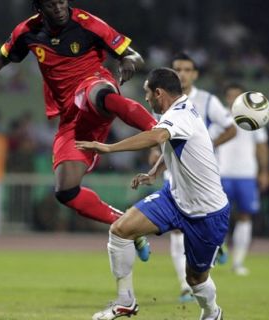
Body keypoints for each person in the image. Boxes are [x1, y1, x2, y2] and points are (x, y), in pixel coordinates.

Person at [0, 0, 156, 259]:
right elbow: (1, 58)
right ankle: (130, 225)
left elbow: (133, 54)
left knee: (96, 94)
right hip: (71, 119)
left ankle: (159, 131)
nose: (58, 8)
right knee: (66, 190)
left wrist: (128, 61)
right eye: (51, 4)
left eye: (62, 2)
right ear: (38, 8)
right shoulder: (27, 32)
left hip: (95, 84)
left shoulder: (88, 23)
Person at [76, 67, 229, 320]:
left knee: (196, 279)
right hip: (174, 198)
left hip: (207, 212)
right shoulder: (179, 111)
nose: (146, 100)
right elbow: (174, 145)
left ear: (159, 92)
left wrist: (109, 148)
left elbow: (157, 136)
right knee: (120, 230)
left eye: (147, 94)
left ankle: (212, 313)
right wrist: (156, 171)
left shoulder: (180, 116)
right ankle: (125, 302)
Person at [167, 52, 236, 302]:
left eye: (187, 69)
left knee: (200, 227)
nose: (182, 74)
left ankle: (214, 244)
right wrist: (155, 155)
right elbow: (157, 134)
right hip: (173, 174)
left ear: (195, 74)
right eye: (177, 69)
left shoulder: (207, 101)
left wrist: (209, 144)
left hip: (202, 178)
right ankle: (185, 287)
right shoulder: (162, 98)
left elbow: (231, 128)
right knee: (176, 229)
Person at [217, 83, 269, 275]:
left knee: (245, 216)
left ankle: (238, 262)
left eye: (237, 96)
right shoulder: (219, 117)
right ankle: (216, 256)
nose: (234, 100)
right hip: (221, 173)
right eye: (231, 96)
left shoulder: (255, 117)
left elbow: (262, 146)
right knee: (218, 216)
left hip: (247, 175)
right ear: (226, 98)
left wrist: (264, 171)